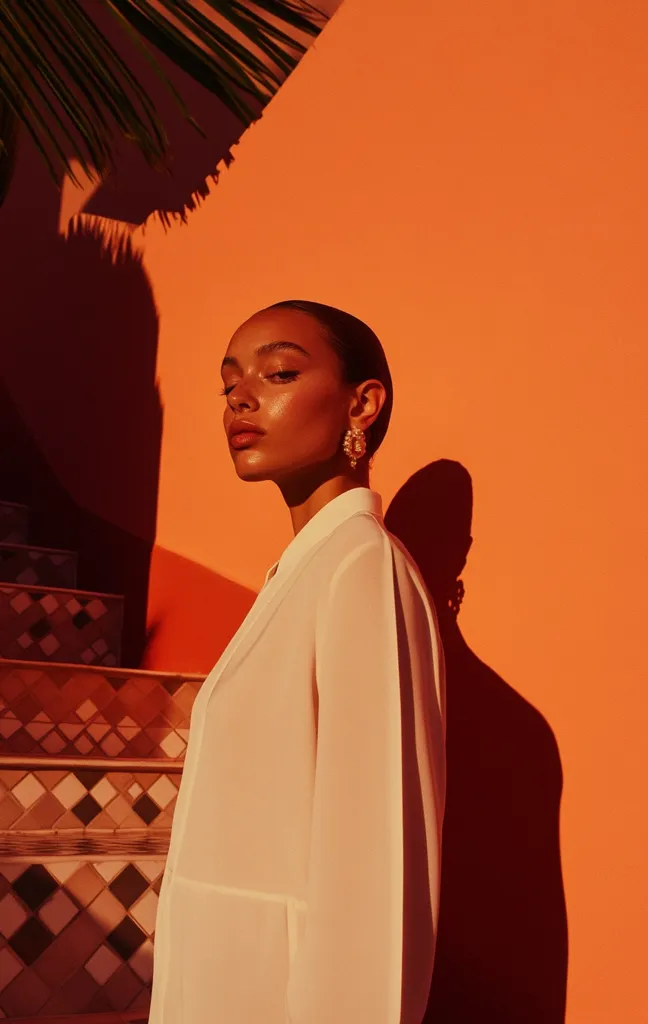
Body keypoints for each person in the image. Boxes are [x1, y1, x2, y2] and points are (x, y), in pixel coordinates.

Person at [147, 299, 447, 1023]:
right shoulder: (304, 575)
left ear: (362, 403)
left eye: (278, 372)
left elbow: (374, 867)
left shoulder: (362, 570)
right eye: (228, 385)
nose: (241, 399)